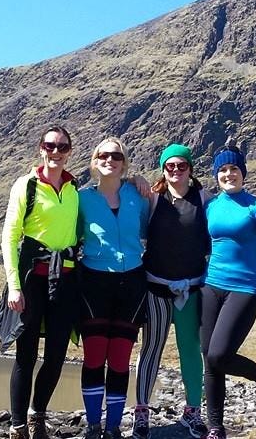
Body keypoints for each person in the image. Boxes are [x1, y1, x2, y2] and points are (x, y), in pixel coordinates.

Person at [0, 126, 81, 439]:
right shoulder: (27, 186)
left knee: (57, 355)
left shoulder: (74, 188)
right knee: (26, 355)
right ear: (41, 148)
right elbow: (10, 237)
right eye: (50, 145)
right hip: (32, 279)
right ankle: (18, 426)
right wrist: (14, 286)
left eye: (62, 146)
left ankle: (37, 415)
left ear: (69, 151)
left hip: (66, 281)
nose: (55, 152)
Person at [199, 145, 256, 439]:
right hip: (211, 285)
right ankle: (215, 428)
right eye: (222, 170)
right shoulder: (211, 206)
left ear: (243, 172)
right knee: (209, 358)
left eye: (233, 168)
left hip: (244, 289)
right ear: (216, 175)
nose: (228, 174)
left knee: (219, 354)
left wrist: (253, 279)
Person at [133, 144, 210, 439]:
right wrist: (133, 179)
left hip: (192, 289)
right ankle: (141, 411)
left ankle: (193, 411)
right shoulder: (152, 199)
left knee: (190, 350)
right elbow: (122, 197)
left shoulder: (205, 200)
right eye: (170, 166)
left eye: (182, 165)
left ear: (190, 168)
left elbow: (230, 219)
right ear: (163, 170)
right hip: (157, 288)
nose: (176, 170)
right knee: (151, 348)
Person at [78, 137, 150, 439]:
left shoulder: (138, 195)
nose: (110, 160)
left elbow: (158, 225)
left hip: (132, 282)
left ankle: (113, 428)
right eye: (104, 155)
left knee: (120, 360)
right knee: (94, 357)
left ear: (124, 163)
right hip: (93, 282)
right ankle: (94, 425)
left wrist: (140, 180)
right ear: (95, 161)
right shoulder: (81, 198)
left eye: (117, 156)